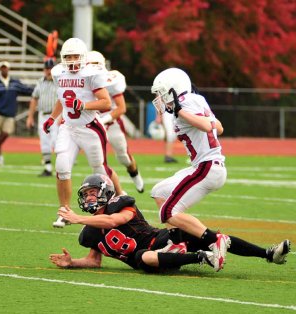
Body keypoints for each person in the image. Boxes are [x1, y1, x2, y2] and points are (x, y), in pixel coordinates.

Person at [49, 174, 290, 273]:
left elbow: (114, 221)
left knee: (213, 238)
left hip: (161, 239)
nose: (89, 198)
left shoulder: (121, 205)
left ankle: (269, 254)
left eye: (93, 193)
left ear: (105, 193)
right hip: (144, 258)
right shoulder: (90, 230)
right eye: (87, 194)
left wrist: (78, 217)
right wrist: (73, 263)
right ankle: (202, 258)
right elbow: (94, 260)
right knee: (145, 258)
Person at [150, 67, 231, 272]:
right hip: (203, 165)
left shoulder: (186, 103)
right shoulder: (195, 99)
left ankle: (215, 240)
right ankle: (177, 243)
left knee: (168, 211)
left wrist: (180, 111)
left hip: (208, 166)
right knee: (159, 192)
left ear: (173, 90)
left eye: (161, 94)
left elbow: (210, 127)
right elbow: (218, 126)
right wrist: (180, 111)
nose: (159, 99)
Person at [43, 37, 123, 228]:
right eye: (68, 56)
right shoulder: (58, 73)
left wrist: (84, 105)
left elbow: (105, 102)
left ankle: (121, 196)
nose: (71, 60)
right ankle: (64, 212)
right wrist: (53, 118)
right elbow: (62, 99)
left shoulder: (91, 74)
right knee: (61, 167)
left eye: (75, 56)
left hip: (90, 128)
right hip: (68, 127)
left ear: (83, 57)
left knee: (100, 169)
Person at [86, 51, 144, 193]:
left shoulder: (111, 81)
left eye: (95, 65)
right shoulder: (83, 81)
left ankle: (135, 173)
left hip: (112, 124)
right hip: (94, 125)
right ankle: (115, 191)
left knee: (123, 157)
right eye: (89, 65)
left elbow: (121, 108)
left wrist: (103, 119)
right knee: (98, 161)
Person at [0, 61, 33, 165]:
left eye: (6, 68)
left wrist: (39, 89)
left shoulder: (14, 83)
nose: (4, 70)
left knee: (6, 133)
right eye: (2, 68)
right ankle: (0, 157)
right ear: (0, 69)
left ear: (8, 69)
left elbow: (27, 89)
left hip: (10, 113)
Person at [26, 59, 59, 177]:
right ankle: (48, 167)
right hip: (43, 115)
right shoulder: (40, 82)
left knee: (56, 142)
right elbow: (34, 98)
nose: (48, 71)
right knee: (44, 142)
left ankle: (61, 167)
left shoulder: (59, 81)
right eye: (47, 69)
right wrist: (30, 116)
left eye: (50, 68)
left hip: (56, 116)